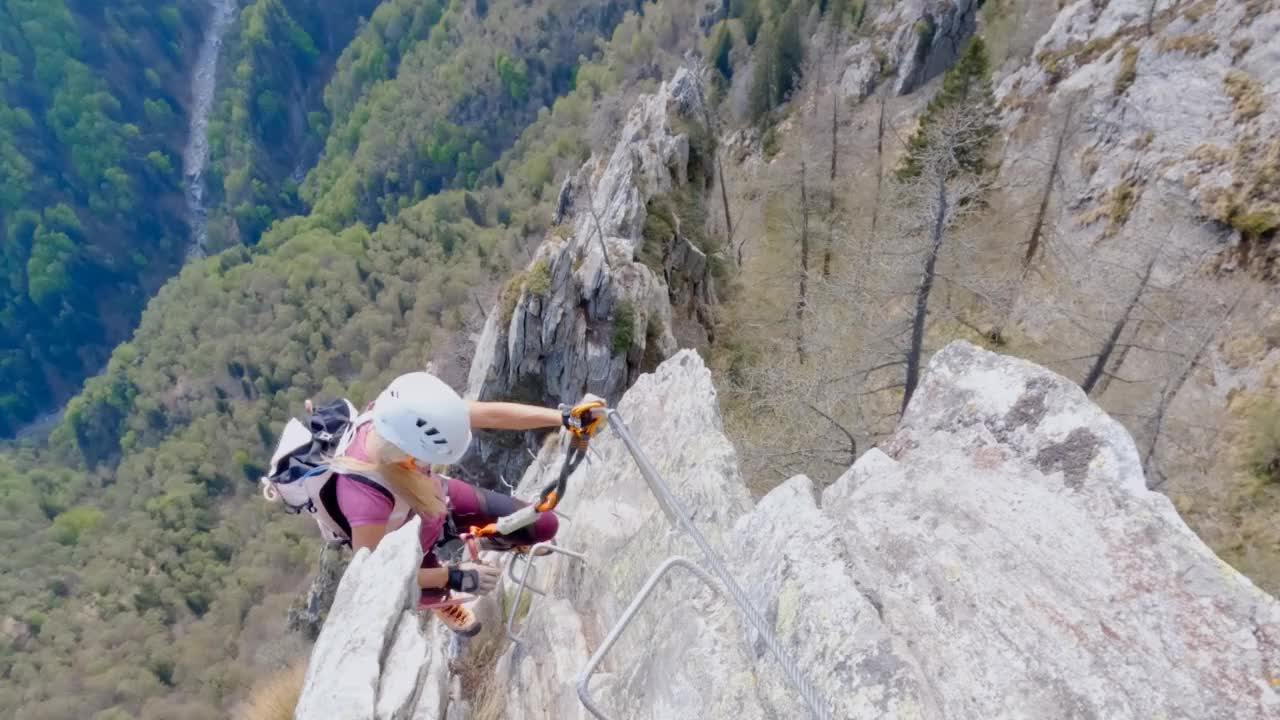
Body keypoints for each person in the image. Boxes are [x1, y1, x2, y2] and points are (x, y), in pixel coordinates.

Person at [327, 371, 603, 636]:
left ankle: (483, 541)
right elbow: (379, 576)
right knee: (425, 581)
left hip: (433, 498)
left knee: (543, 526)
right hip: (405, 543)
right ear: (409, 456)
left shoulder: (406, 418)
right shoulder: (364, 498)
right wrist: (451, 577)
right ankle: (439, 598)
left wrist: (564, 417)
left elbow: (491, 414)